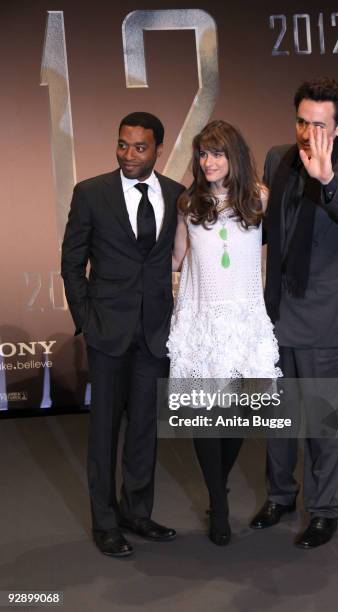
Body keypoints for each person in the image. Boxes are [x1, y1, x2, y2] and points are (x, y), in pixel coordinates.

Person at [250, 77, 338, 548]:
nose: (308, 134)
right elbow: (266, 227)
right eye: (302, 122)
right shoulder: (277, 158)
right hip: (276, 313)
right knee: (279, 418)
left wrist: (327, 181)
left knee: (324, 422)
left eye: (320, 125)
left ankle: (324, 510)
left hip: (326, 320)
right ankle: (279, 495)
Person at [61, 112, 185, 557]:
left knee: (144, 431)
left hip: (154, 332)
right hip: (107, 332)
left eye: (139, 148)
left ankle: (137, 512)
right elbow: (71, 263)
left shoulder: (176, 195)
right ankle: (106, 522)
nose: (128, 155)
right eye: (122, 145)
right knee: (104, 432)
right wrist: (86, 319)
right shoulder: (91, 193)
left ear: (158, 150)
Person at [168, 120, 282, 546]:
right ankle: (218, 500)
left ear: (233, 155)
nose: (208, 162)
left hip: (245, 319)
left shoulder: (260, 198)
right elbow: (177, 260)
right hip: (201, 321)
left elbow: (286, 240)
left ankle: (219, 487)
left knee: (243, 411)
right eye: (202, 154)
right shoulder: (188, 204)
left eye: (216, 154)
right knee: (205, 416)